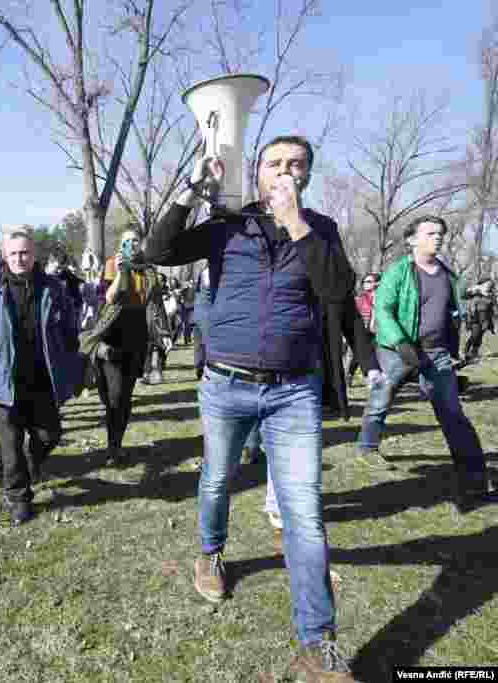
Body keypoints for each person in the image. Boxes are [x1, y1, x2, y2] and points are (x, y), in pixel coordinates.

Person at [145, 135, 380, 682]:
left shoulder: (319, 229)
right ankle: (210, 551)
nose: (284, 172)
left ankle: (316, 642)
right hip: (225, 382)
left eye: (295, 165)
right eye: (274, 163)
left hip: (294, 390)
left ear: (306, 176)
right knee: (218, 478)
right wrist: (189, 194)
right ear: (256, 174)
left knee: (305, 513)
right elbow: (157, 253)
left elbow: (337, 291)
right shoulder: (229, 225)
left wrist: (296, 222)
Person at [356, 217, 494, 508]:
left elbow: (454, 303)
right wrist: (401, 343)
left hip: (437, 355)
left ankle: (475, 482)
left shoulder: (448, 275)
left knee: (453, 415)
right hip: (397, 351)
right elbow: (382, 308)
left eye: (440, 233)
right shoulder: (398, 272)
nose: (438, 238)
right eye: (430, 233)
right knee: (381, 400)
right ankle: (368, 446)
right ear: (412, 239)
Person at [0, 229, 80, 526]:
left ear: (34, 254)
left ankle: (34, 462)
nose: (19, 258)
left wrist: (70, 363)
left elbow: (69, 329)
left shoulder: (53, 289)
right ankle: (19, 499)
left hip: (43, 380)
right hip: (5, 382)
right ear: (5, 256)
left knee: (49, 435)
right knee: (11, 447)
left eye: (25, 252)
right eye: (13, 253)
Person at [80, 230, 164, 466]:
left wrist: (161, 334)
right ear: (121, 245)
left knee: (123, 398)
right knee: (111, 398)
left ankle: (114, 447)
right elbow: (109, 297)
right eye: (126, 241)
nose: (131, 244)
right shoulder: (111, 265)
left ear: (140, 244)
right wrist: (120, 271)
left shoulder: (148, 270)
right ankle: (113, 441)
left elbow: (154, 303)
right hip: (111, 336)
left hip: (137, 337)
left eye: (135, 240)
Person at [347, 273, 379, 385]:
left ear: (377, 283)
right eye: (364, 282)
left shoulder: (383, 297)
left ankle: (373, 377)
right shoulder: (360, 299)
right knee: (359, 354)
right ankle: (350, 374)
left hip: (378, 331)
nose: (366, 284)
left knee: (376, 354)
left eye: (369, 281)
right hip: (362, 330)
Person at [462, 278, 494, 364]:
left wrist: (490, 323)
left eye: (490, 285)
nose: (489, 286)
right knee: (474, 335)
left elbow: (491, 309)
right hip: (474, 318)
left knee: (479, 337)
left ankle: (474, 353)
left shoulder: (490, 295)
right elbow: (464, 295)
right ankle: (465, 351)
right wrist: (474, 289)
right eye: (487, 284)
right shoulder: (475, 292)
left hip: (484, 319)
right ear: (482, 284)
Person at [191, 264, 211, 380]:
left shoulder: (201, 273)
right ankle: (203, 369)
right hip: (206, 313)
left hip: (198, 313)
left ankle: (199, 367)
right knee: (207, 343)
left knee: (198, 344)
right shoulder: (208, 273)